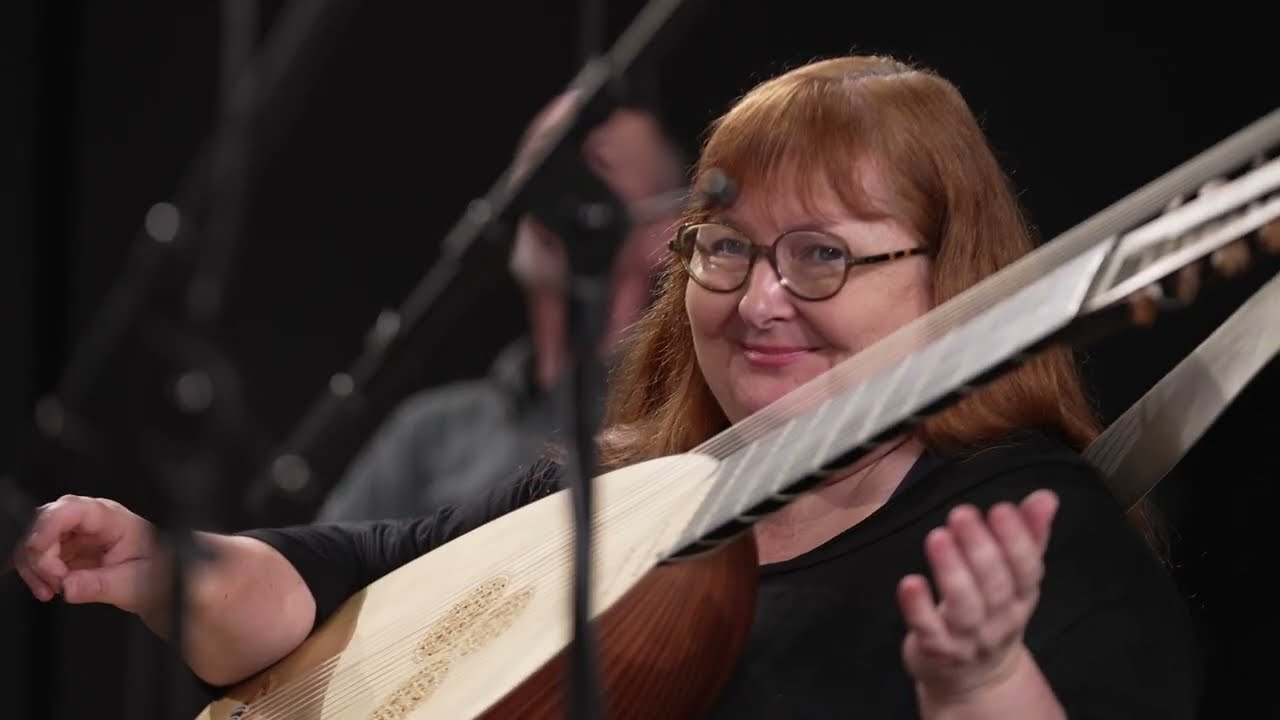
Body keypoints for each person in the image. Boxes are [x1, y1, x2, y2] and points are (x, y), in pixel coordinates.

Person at [10, 54, 1201, 718]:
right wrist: (166, 568)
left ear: (945, 277)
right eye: (725, 249)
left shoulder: (1031, 531)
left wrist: (980, 682)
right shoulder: (613, 497)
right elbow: (337, 588)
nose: (760, 298)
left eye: (824, 253)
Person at [316, 89, 687, 522]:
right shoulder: (430, 429)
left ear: (665, 230)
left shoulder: (674, 417)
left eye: (593, 164)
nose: (545, 185)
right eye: (538, 159)